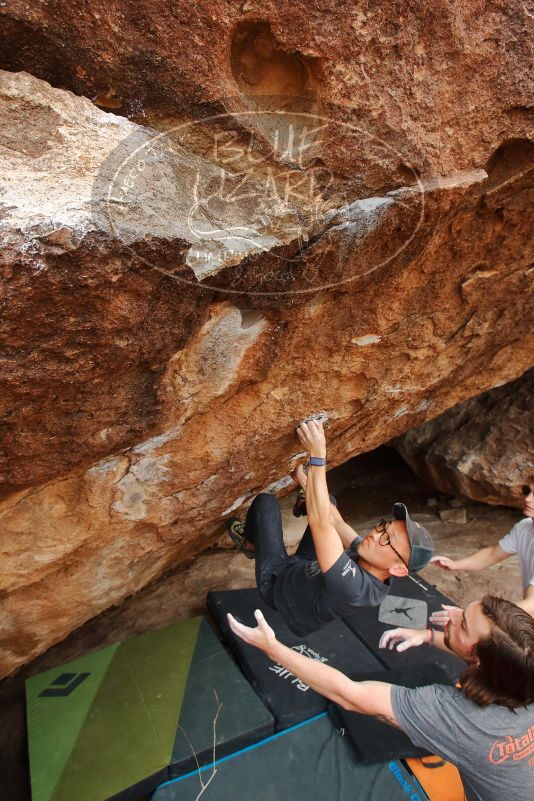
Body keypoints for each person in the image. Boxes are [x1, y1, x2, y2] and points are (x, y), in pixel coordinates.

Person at [227, 595, 534, 801]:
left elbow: (350, 695)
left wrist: (273, 649)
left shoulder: (455, 717)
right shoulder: (524, 671)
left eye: (463, 624)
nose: (450, 614)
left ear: (480, 661)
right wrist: (429, 636)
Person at [227, 418, 434, 636]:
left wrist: (318, 454)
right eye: (384, 527)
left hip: (279, 588)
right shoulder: (372, 556)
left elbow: (322, 523)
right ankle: (304, 503)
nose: (375, 534)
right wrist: (302, 478)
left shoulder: (354, 589)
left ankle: (250, 544)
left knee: (265, 504)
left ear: (398, 569)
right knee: (330, 503)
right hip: (307, 568)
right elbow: (335, 521)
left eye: (387, 539)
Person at [430, 477, 534, 614]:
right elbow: (492, 554)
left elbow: (530, 605)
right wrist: (456, 565)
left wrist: (474, 615)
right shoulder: (525, 527)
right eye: (528, 491)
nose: (527, 499)